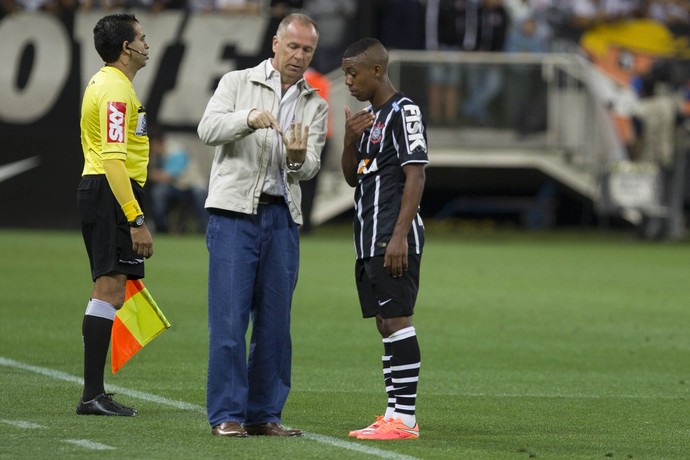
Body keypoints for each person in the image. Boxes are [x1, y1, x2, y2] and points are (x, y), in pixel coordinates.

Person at [197, 13, 327, 438]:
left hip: (282, 218)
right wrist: (248, 118)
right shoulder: (237, 83)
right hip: (234, 214)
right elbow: (208, 128)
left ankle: (264, 414)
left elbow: (309, 167)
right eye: (293, 46)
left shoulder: (316, 102)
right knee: (230, 322)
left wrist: (296, 158)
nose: (299, 56)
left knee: (276, 326)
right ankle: (227, 416)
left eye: (307, 50)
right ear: (275, 44)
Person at [341, 37, 428, 440]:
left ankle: (405, 418)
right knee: (384, 322)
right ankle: (393, 412)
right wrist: (348, 141)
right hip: (369, 236)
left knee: (397, 318)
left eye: (352, 72)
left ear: (376, 70)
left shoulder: (403, 111)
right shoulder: (370, 118)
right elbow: (352, 178)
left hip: (392, 237)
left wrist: (398, 238)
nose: (347, 81)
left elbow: (416, 173)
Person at [76, 13, 152, 416]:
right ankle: (92, 395)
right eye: (141, 37)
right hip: (111, 192)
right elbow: (113, 159)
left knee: (111, 289)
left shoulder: (106, 83)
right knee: (108, 288)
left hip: (104, 191)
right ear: (127, 47)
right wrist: (135, 218)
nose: (147, 43)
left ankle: (93, 392)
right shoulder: (116, 91)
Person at [148, 128, 208, 234]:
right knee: (159, 192)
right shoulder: (157, 156)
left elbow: (165, 176)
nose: (151, 149)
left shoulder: (175, 151)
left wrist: (143, 173)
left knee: (200, 193)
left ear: (158, 143)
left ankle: (204, 229)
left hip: (191, 185)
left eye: (152, 146)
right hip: (175, 187)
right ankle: (161, 229)